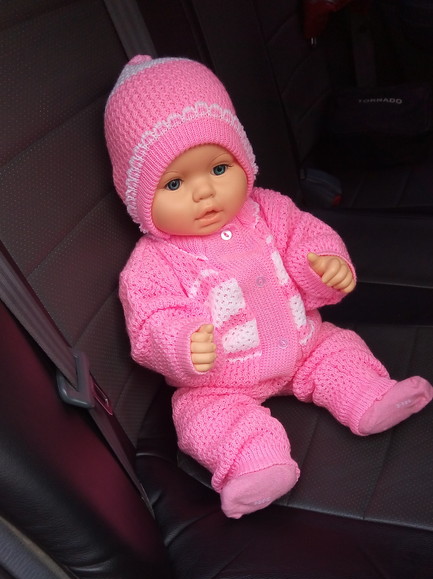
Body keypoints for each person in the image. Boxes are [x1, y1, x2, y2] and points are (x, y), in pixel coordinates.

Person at [104, 55, 433, 519]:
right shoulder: (153, 262)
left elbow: (307, 237)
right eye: (174, 183)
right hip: (218, 384)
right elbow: (151, 322)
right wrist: (180, 344)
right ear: (137, 196)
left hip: (303, 345)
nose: (204, 192)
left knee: (339, 351)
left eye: (219, 169)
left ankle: (371, 397)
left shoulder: (269, 209)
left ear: (242, 157)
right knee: (203, 421)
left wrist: (325, 266)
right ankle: (257, 465)